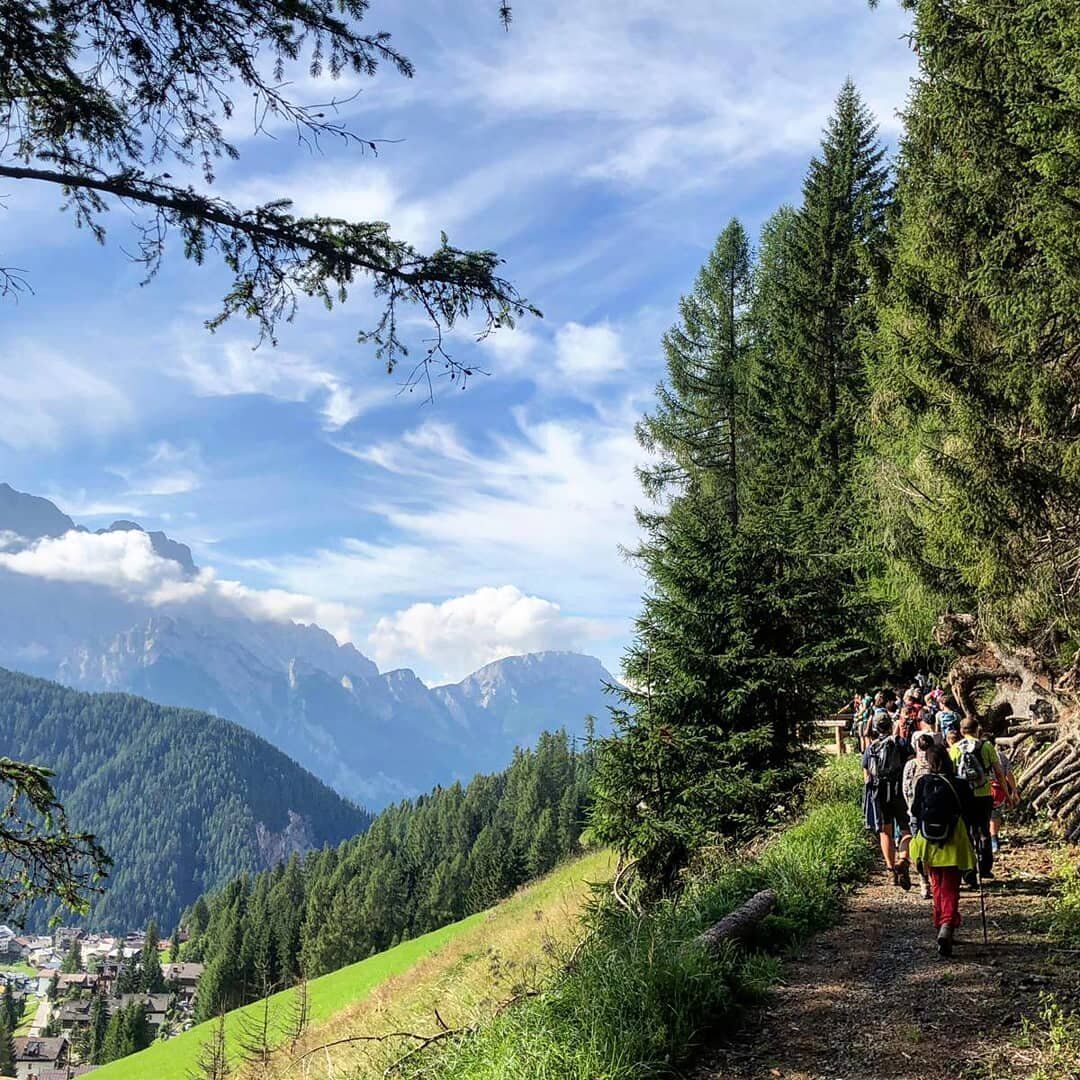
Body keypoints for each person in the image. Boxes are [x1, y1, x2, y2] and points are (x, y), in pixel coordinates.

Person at [910, 745, 977, 956]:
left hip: (928, 839)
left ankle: (941, 922)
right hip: (954, 837)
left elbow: (914, 811)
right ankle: (947, 925)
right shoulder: (960, 783)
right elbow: (971, 811)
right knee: (950, 884)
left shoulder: (923, 782)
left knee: (936, 882)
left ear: (929, 762)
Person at [949, 716, 1008, 881]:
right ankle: (985, 868)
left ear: (961, 731)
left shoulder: (955, 748)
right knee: (983, 831)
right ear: (977, 730)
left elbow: (951, 774)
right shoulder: (987, 746)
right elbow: (999, 773)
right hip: (983, 795)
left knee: (966, 832)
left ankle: (968, 870)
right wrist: (1007, 794)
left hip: (963, 796)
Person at [863, 715, 914, 889]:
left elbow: (866, 775)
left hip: (880, 793)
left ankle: (891, 871)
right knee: (907, 829)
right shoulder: (900, 742)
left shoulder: (871, 748)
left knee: (885, 832)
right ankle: (903, 860)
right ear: (891, 725)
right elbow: (911, 763)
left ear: (876, 729)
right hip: (900, 792)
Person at [904, 733, 936, 899]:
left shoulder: (911, 765)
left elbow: (906, 788)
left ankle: (925, 882)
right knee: (930, 848)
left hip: (916, 812)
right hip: (932, 813)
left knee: (919, 850)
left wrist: (910, 808)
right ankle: (929, 880)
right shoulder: (936, 764)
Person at [989, 738, 1021, 853]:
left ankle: (987, 840)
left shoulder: (977, 754)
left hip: (982, 789)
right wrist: (1014, 791)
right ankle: (994, 840)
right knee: (995, 816)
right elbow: (1008, 774)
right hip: (998, 790)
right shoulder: (1000, 756)